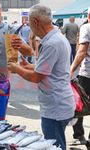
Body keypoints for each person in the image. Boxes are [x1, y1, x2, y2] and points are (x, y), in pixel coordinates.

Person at [8, 5, 75, 150]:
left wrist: (16, 68)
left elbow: (37, 77)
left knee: (54, 146)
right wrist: (26, 66)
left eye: (30, 23)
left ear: (35, 22)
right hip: (60, 103)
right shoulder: (56, 38)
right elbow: (47, 69)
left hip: (55, 107)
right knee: (57, 142)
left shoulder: (51, 43)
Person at [70, 8, 90, 150]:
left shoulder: (86, 27)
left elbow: (82, 51)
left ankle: (79, 134)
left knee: (79, 104)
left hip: (87, 74)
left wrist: (70, 70)